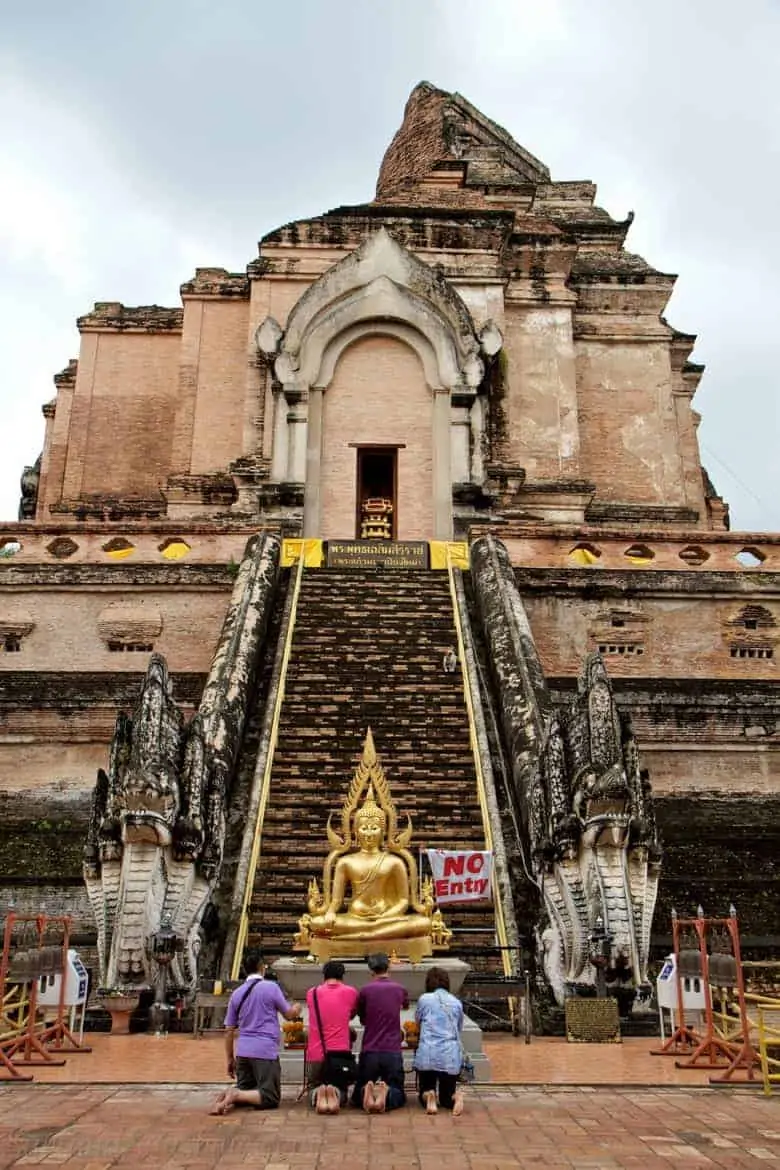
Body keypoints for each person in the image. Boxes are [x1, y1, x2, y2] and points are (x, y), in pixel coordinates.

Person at [210, 948, 300, 1115]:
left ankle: (231, 1094)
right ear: (262, 967)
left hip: (243, 1052)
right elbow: (289, 1015)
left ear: (244, 969)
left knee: (247, 1088)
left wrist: (230, 1059)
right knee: (269, 1097)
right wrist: (297, 1008)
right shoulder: (271, 988)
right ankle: (235, 1094)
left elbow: (229, 1031)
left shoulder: (237, 994)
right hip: (264, 1051)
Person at [352, 952, 409, 1113]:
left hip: (370, 1049)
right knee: (398, 1091)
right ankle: (388, 1093)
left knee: (357, 1095)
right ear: (388, 967)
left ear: (371, 970)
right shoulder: (399, 989)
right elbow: (404, 1006)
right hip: (392, 1050)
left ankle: (366, 1091)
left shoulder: (365, 991)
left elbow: (362, 1018)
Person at [305, 960, 359, 1114]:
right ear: (342, 976)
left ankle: (318, 1094)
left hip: (317, 1053)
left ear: (324, 976)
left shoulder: (312, 993)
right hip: (339, 1055)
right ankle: (335, 1093)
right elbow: (351, 1014)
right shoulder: (351, 992)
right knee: (342, 1088)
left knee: (313, 1085)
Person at [413, 966, 465, 1115]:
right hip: (449, 1056)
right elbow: (459, 1027)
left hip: (428, 1053)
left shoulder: (424, 999)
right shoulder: (456, 1002)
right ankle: (456, 1097)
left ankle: (429, 1096)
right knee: (447, 1098)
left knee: (425, 1089)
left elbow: (418, 1021)